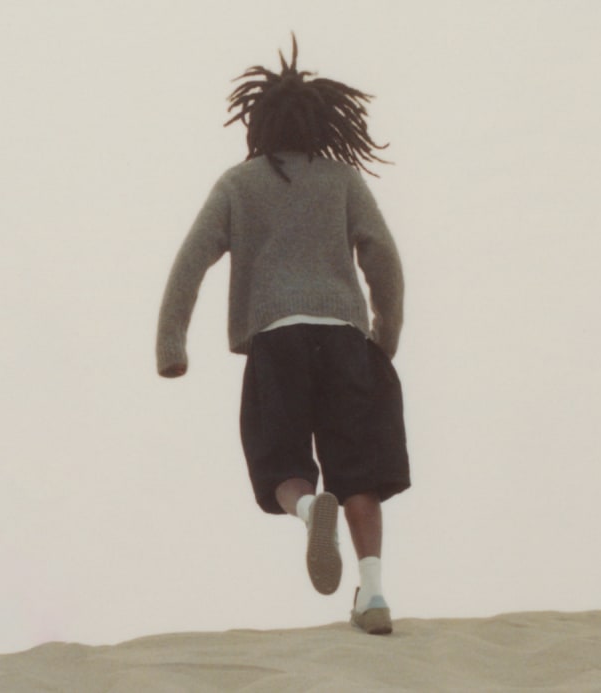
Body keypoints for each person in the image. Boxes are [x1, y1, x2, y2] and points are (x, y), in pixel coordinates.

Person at [155, 35, 408, 636]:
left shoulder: (239, 184)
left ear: (258, 125)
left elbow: (191, 259)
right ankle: (373, 593)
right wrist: (385, 336)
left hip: (277, 341)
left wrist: (171, 345)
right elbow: (383, 256)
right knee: (359, 472)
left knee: (280, 465)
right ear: (321, 124)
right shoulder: (342, 180)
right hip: (345, 339)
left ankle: (309, 509)